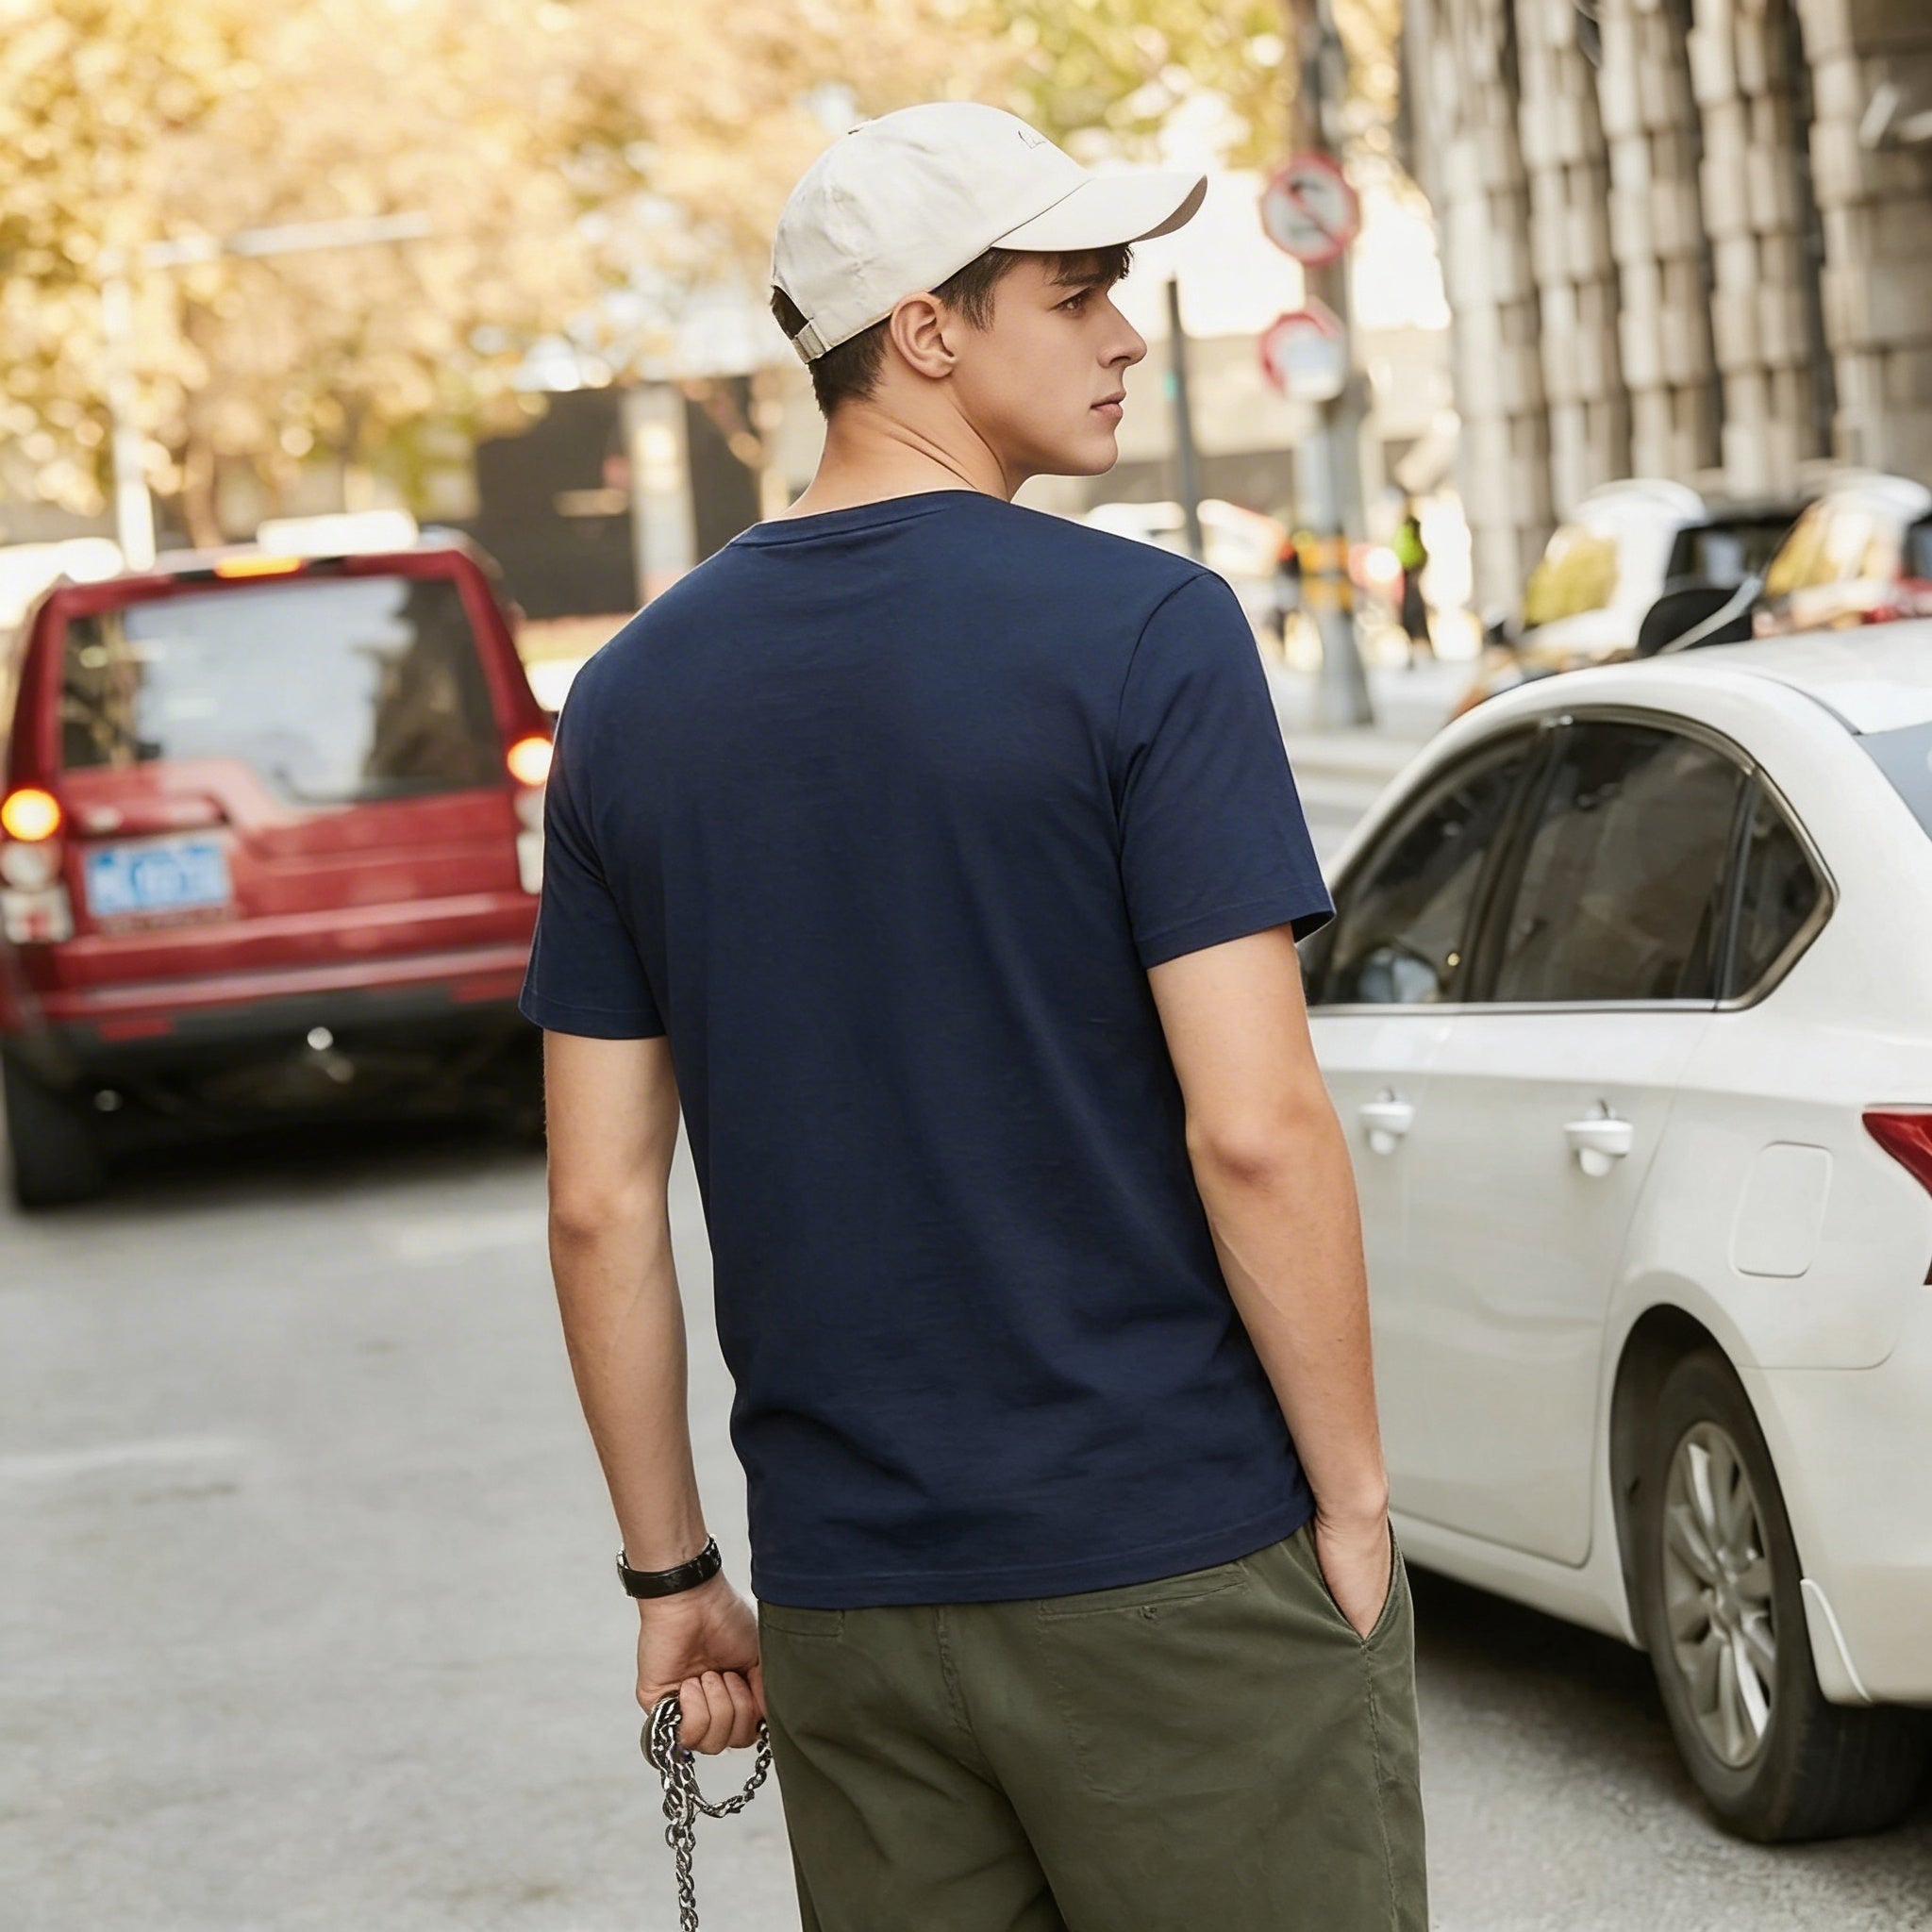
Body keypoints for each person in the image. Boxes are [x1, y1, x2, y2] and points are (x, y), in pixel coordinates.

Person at [519, 100, 1426, 1932]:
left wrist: (669, 1569)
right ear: (927, 329)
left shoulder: (628, 702)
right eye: (1075, 290)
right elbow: (1252, 1125)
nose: (1123, 333)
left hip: (853, 1601)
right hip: (1171, 1562)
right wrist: (1354, 1499)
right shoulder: (1146, 634)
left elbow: (602, 1201)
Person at [1393, 497, 1433, 668]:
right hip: (1404, 571)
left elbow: (1422, 550)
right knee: (1405, 615)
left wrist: (1418, 572)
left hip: (1412, 571)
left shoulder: (1414, 525)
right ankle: (1412, 651)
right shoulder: (1402, 526)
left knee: (1415, 612)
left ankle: (1426, 650)